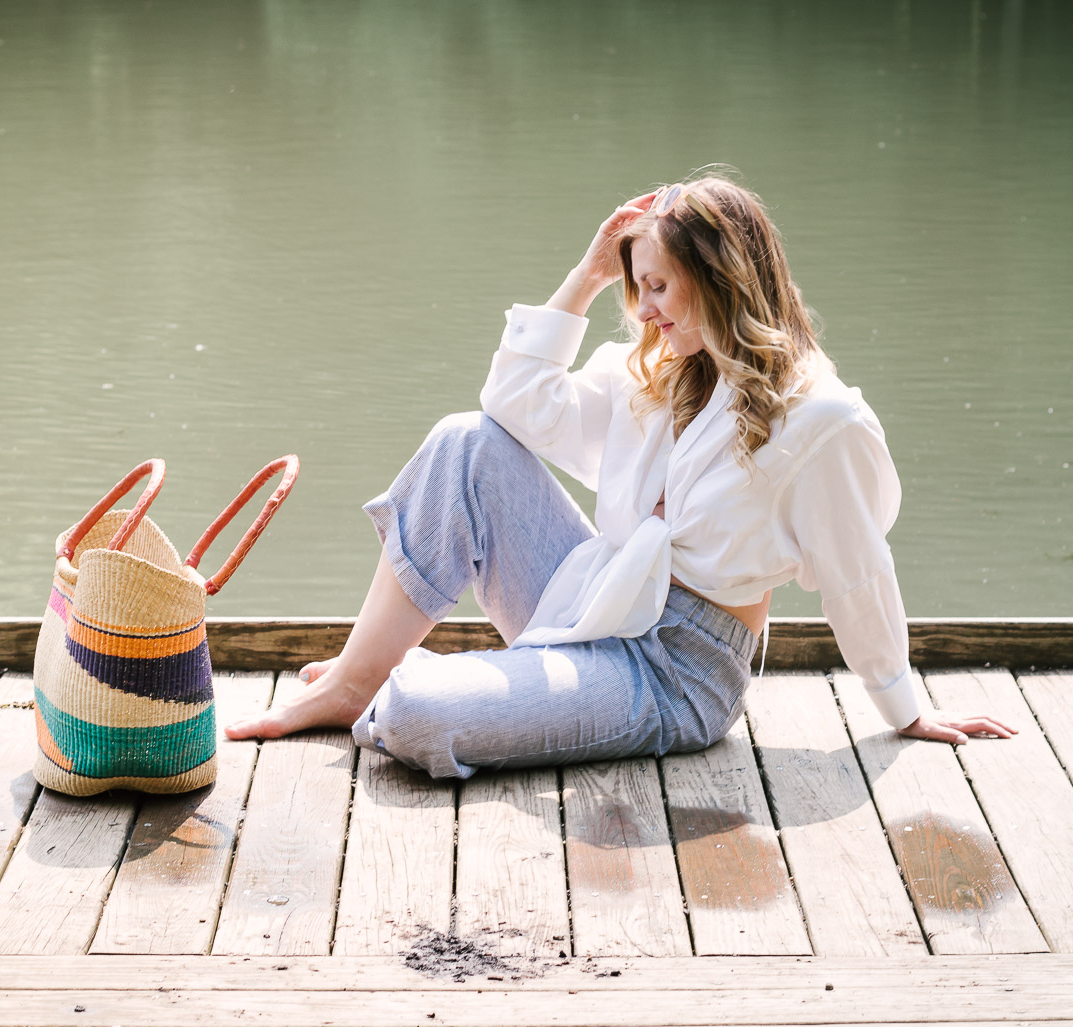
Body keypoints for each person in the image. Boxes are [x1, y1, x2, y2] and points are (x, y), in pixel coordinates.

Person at [226, 176, 1014, 777]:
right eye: (637, 288)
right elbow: (513, 402)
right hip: (592, 593)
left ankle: (461, 686)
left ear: (725, 276)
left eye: (660, 285)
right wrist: (590, 272)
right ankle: (356, 677)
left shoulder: (819, 421)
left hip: (674, 669)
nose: (645, 311)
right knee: (465, 441)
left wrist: (904, 706)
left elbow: (858, 572)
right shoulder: (658, 370)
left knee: (421, 718)